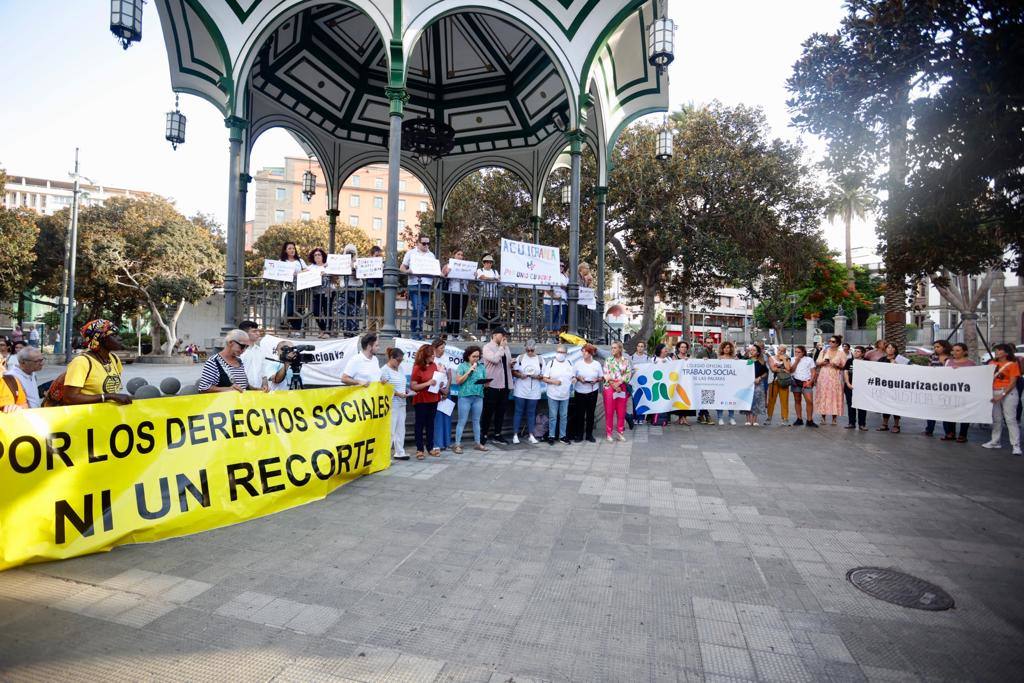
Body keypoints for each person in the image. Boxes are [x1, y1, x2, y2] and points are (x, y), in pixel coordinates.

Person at [61, 320, 133, 405]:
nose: (120, 338)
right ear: (100, 339)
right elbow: (69, 398)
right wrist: (108, 396)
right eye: (114, 335)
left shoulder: (114, 359)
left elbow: (112, 389)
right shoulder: (81, 362)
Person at [983, 343, 1021, 455]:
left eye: (999, 350)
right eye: (996, 350)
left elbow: (1013, 382)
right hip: (994, 392)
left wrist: (1002, 394)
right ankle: (995, 441)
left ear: (1006, 352)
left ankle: (1016, 445)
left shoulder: (1013, 364)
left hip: (1008, 393)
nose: (997, 352)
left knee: (1010, 419)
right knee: (996, 419)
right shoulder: (991, 363)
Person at [480, 327, 514, 444]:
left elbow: (506, 363)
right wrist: (501, 348)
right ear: (494, 335)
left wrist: (512, 363)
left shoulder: (506, 347)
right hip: (492, 385)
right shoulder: (487, 347)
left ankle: (497, 434)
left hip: (505, 384)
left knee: (501, 411)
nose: (505, 337)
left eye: (505, 335)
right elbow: (495, 359)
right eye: (502, 335)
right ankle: (484, 434)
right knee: (488, 412)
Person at [400, 234, 436, 339]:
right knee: (417, 308)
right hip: (414, 284)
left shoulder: (431, 255)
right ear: (418, 243)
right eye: (424, 243)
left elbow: (434, 269)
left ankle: (418, 332)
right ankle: (415, 333)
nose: (426, 245)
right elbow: (402, 267)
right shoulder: (411, 253)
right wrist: (407, 271)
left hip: (427, 285)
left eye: (428, 243)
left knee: (422, 309)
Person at [453, 346, 488, 453]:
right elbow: (458, 381)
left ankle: (478, 443)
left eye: (478, 356)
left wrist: (486, 383)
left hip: (478, 397)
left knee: (476, 421)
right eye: (474, 356)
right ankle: (457, 444)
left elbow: (485, 382)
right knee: (462, 421)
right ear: (468, 356)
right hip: (465, 397)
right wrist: (469, 371)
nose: (476, 358)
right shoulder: (462, 366)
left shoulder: (481, 367)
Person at [410, 344, 442, 459]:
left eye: (434, 353)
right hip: (421, 400)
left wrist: (439, 383)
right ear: (425, 355)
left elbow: (435, 380)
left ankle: (430, 447)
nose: (434, 355)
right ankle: (419, 449)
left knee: (430, 424)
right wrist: (428, 383)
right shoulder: (417, 367)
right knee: (420, 424)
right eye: (431, 354)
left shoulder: (434, 365)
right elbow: (413, 386)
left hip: (433, 398)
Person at [380, 348, 412, 460]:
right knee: (391, 429)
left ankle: (399, 452)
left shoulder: (400, 368)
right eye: (398, 360)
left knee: (400, 429)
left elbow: (402, 383)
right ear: (391, 358)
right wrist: (398, 394)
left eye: (401, 360)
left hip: (402, 402)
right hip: (391, 404)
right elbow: (384, 388)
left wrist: (406, 391)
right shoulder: (384, 370)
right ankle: (385, 454)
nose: (399, 362)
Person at [941, 343, 975, 442]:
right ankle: (950, 433)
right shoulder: (948, 362)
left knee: (964, 413)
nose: (954, 352)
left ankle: (963, 434)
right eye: (953, 350)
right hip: (950, 391)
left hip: (965, 392)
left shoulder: (971, 364)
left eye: (958, 350)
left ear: (965, 352)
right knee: (950, 412)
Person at [511, 339, 543, 444]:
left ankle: (531, 435)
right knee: (518, 412)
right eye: (527, 350)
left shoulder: (540, 359)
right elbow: (514, 372)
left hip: (534, 390)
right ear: (525, 348)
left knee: (531, 413)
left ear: (535, 349)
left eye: (531, 350)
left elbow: (543, 375)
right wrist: (520, 375)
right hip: (520, 389)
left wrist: (537, 376)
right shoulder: (520, 358)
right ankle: (515, 435)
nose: (529, 352)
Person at [570, 344, 602, 443]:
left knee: (590, 414)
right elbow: (572, 376)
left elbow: (601, 377)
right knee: (579, 414)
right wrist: (578, 378)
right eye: (583, 351)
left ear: (590, 353)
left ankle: (589, 435)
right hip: (580, 392)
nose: (583, 353)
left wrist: (596, 380)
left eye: (585, 351)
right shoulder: (578, 364)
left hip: (592, 391)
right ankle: (579, 435)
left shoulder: (597, 364)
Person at [542, 344, 575, 444]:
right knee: (553, 416)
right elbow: (544, 378)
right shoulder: (551, 363)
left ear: (566, 353)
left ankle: (562, 436)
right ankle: (551, 436)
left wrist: (574, 379)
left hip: (565, 395)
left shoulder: (569, 363)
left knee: (564, 416)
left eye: (562, 352)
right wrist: (554, 381)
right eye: (558, 352)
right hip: (553, 394)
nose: (560, 354)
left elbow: (573, 376)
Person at [603, 340, 632, 441]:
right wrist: (614, 385)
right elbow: (606, 373)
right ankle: (609, 433)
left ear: (620, 349)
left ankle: (620, 432)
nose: (612, 350)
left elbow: (628, 374)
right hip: (610, 387)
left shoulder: (626, 360)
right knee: (609, 411)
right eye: (612, 348)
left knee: (621, 411)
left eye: (615, 348)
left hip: (621, 387)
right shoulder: (608, 360)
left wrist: (619, 383)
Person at [815, 335, 847, 425]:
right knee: (823, 395)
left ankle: (834, 418)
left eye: (833, 341)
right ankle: (823, 417)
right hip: (824, 375)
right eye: (829, 341)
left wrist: (837, 365)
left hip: (835, 376)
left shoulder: (841, 353)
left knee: (835, 396)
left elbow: (844, 366)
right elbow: (817, 362)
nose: (830, 343)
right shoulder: (824, 351)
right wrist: (823, 362)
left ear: (837, 343)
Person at [924, 340, 953, 436]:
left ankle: (948, 432)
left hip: (947, 387)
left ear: (944, 347)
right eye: (934, 347)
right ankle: (929, 429)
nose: (936, 349)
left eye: (938, 347)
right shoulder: (932, 357)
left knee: (946, 410)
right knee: (931, 409)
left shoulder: (951, 358)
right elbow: (928, 369)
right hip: (934, 386)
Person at [875, 342, 905, 433]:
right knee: (885, 405)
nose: (890, 349)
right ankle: (885, 424)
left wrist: (896, 365)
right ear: (885, 349)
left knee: (896, 406)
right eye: (888, 347)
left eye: (892, 348)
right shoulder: (882, 359)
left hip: (897, 386)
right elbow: (876, 370)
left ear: (895, 349)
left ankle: (896, 425)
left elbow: (908, 369)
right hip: (885, 386)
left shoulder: (900, 359)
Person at [786, 345, 818, 427]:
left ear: (803, 352)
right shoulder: (792, 359)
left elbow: (813, 372)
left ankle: (809, 420)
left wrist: (811, 381)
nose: (797, 353)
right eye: (796, 352)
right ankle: (799, 419)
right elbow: (791, 371)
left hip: (806, 382)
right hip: (796, 381)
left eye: (799, 352)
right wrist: (796, 361)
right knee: (797, 400)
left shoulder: (809, 359)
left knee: (809, 401)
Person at [431, 337, 453, 452]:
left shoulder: (446, 358)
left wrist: (447, 389)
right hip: (436, 392)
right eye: (441, 348)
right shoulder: (431, 360)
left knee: (446, 417)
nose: (443, 350)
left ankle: (446, 442)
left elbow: (449, 375)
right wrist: (440, 390)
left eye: (444, 348)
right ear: (434, 348)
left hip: (446, 391)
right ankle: (437, 443)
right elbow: (431, 378)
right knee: (437, 418)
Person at [442, 248, 470, 337]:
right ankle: (450, 333)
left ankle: (457, 334)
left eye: (462, 255)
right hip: (451, 292)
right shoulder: (448, 265)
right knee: (451, 312)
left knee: (460, 314)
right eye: (458, 254)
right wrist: (446, 272)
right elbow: (442, 275)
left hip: (463, 292)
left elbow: (470, 277)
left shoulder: (467, 266)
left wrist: (473, 275)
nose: (460, 256)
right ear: (454, 255)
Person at [280, 241, 307, 332]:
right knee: (289, 310)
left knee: (299, 310)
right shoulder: (282, 261)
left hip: (300, 289)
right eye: (289, 248)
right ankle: (293, 327)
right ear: (285, 250)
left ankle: (297, 329)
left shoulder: (300, 261)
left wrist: (298, 273)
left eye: (293, 248)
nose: (292, 250)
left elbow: (307, 270)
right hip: (288, 289)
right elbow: (276, 271)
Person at [307, 247, 333, 337]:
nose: (317, 256)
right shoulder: (310, 267)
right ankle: (323, 329)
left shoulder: (328, 266)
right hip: (316, 292)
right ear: (313, 257)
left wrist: (326, 273)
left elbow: (334, 276)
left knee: (327, 311)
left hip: (327, 291)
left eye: (319, 254)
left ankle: (327, 332)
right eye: (315, 255)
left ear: (323, 256)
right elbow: (303, 274)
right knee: (315, 312)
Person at [238, 320, 268, 391]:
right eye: (254, 331)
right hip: (241, 391)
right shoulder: (238, 351)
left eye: (258, 331)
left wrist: (265, 384)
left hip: (258, 391)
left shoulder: (260, 350)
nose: (258, 334)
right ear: (244, 333)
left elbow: (263, 372)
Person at [765, 344, 791, 425]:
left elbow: (788, 369)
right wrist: (783, 370)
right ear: (777, 349)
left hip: (784, 382)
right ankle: (769, 417)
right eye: (779, 350)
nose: (780, 352)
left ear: (785, 351)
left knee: (784, 401)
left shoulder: (787, 358)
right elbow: (773, 369)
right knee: (771, 400)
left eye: (783, 351)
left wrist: (784, 359)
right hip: (773, 382)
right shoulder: (771, 358)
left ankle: (785, 418)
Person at [340, 243, 363, 335]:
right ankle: (346, 331)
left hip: (356, 288)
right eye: (348, 252)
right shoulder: (340, 262)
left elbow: (359, 276)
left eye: (352, 252)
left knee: (354, 311)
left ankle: (353, 332)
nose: (350, 254)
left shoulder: (358, 262)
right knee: (342, 310)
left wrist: (354, 268)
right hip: (344, 288)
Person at [476, 254, 500, 338]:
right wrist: (493, 279)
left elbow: (498, 279)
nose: (489, 264)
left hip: (493, 296)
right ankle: (483, 335)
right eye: (487, 262)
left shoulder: (495, 271)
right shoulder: (480, 270)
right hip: (483, 296)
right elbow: (482, 277)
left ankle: (493, 335)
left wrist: (490, 279)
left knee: (494, 315)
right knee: (483, 315)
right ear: (483, 263)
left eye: (490, 262)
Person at [844, 346, 868, 430]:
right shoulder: (849, 361)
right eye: (855, 351)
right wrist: (848, 383)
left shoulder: (866, 362)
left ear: (863, 353)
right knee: (850, 405)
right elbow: (846, 372)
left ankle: (862, 424)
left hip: (862, 387)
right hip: (850, 386)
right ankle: (851, 423)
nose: (855, 353)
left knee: (862, 406)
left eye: (858, 351)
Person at [544, 263, 569, 342]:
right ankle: (550, 338)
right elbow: (546, 287)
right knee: (550, 320)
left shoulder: (565, 276)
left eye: (563, 266)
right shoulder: (550, 274)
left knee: (559, 321)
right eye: (559, 265)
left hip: (562, 302)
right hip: (551, 302)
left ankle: (554, 337)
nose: (561, 267)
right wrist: (554, 296)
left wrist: (565, 287)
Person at [744, 344, 768, 426]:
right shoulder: (746, 360)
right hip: (747, 383)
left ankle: (754, 420)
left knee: (757, 400)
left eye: (754, 350)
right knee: (747, 400)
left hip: (758, 383)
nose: (752, 351)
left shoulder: (761, 362)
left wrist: (760, 378)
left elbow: (765, 372)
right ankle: (748, 420)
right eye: (751, 350)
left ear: (758, 353)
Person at [716, 341, 738, 425]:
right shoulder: (718, 358)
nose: (726, 349)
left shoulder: (734, 359)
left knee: (731, 400)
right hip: (720, 384)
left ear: (730, 349)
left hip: (731, 384)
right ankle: (720, 418)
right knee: (720, 400)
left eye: (728, 347)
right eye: (724, 348)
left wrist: (737, 362)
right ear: (722, 349)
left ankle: (731, 418)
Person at [365, 245, 385, 330]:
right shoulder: (367, 264)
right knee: (371, 311)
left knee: (381, 311)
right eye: (377, 256)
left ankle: (383, 330)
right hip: (370, 288)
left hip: (380, 288)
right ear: (371, 255)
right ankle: (371, 331)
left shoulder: (384, 264)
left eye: (380, 256)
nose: (379, 258)